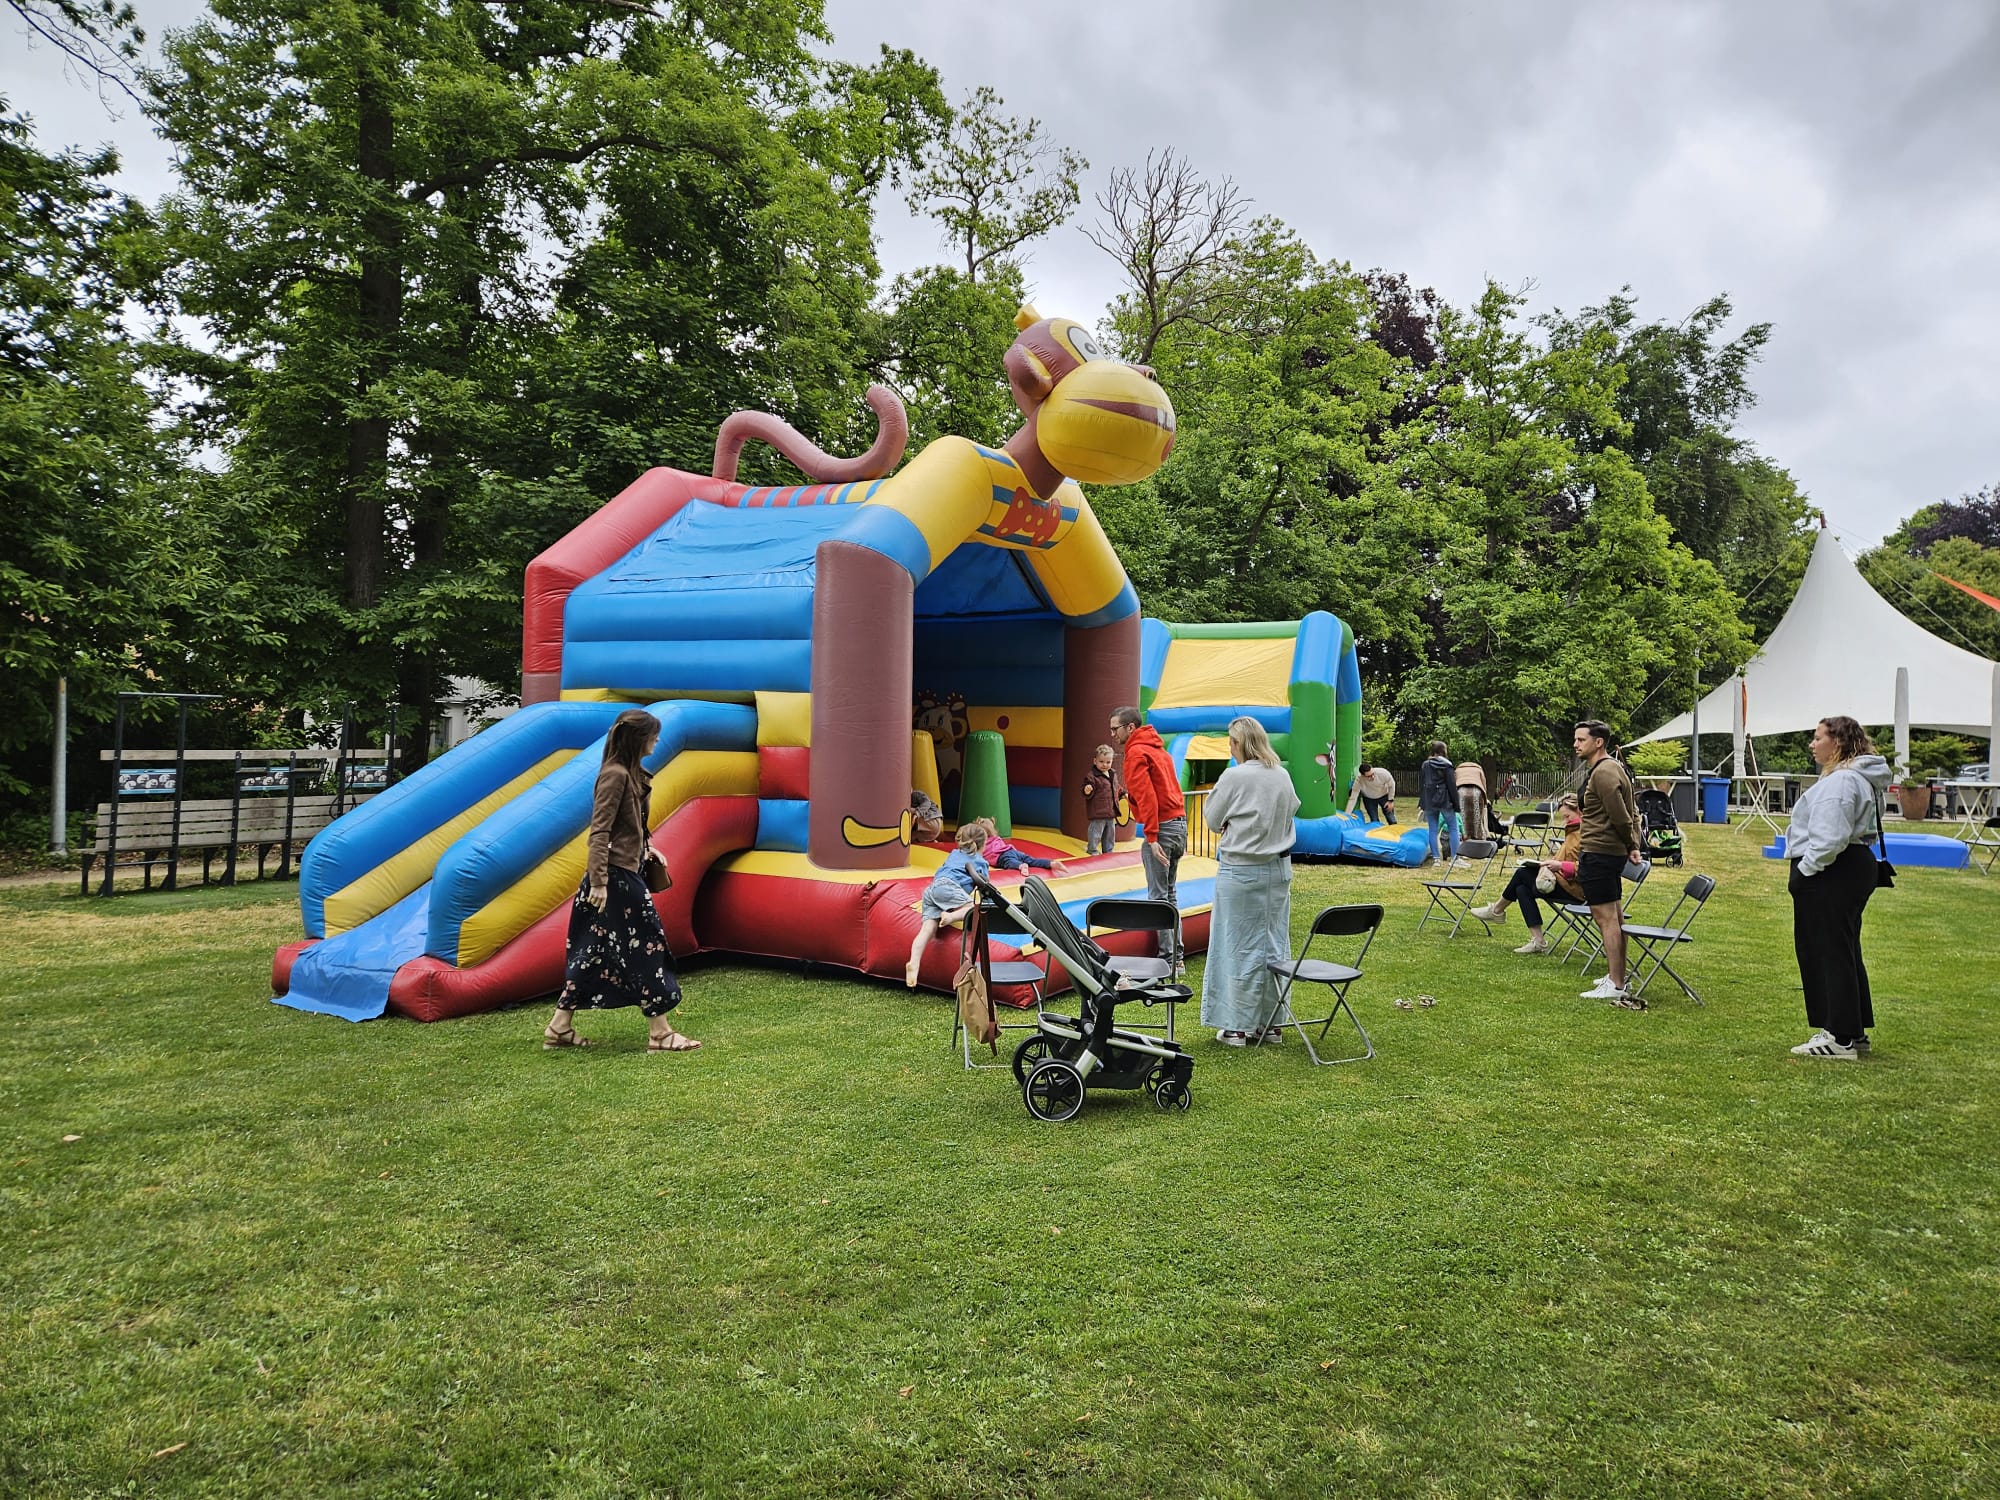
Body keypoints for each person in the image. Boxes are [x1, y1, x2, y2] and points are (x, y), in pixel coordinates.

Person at [546, 708, 699, 1052]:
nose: (658, 741)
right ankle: (660, 1033)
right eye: (653, 735)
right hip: (613, 881)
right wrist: (599, 882)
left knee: (591, 950)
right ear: (637, 739)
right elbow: (599, 831)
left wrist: (646, 849)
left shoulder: (629, 774)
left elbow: (625, 827)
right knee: (648, 947)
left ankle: (560, 1027)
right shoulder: (614, 775)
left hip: (617, 873)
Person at [1786, 716, 1892, 1060]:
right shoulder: (1855, 779)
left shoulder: (1843, 782)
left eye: (1818, 738)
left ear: (1839, 743)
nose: (1812, 744)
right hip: (1849, 867)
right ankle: (1851, 1030)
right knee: (1841, 949)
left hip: (1832, 870)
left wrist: (1805, 870)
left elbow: (1830, 836)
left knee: (1826, 950)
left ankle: (1840, 1037)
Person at [1200, 717, 1301, 1046]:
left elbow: (1213, 819)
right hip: (1278, 868)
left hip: (1241, 868)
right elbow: (1290, 813)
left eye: (1231, 741)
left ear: (1239, 743)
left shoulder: (1234, 776)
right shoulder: (1282, 775)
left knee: (1236, 944)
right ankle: (1271, 1023)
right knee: (1274, 943)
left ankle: (1237, 1026)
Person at [1573, 719, 1646, 1007]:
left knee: (1606, 920)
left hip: (1600, 852)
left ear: (1598, 742)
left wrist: (1632, 844)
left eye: (1581, 739)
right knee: (1614, 917)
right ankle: (1617, 977)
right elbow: (1631, 812)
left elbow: (1622, 815)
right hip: (1607, 852)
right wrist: (1631, 844)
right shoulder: (1612, 768)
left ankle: (1616, 984)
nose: (1576, 744)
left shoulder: (1604, 773)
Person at [1112, 705, 1188, 975]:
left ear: (1130, 727)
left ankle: (1168, 960)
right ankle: (1177, 957)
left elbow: (1147, 797)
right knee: (1170, 894)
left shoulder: (1135, 753)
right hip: (1179, 825)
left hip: (1163, 830)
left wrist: (1152, 837)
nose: (1113, 735)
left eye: (1115, 729)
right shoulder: (1159, 749)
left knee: (1158, 897)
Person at [1468, 793, 1584, 954]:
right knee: (1521, 889)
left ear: (1580, 811)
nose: (1566, 821)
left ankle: (1496, 910)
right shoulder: (1573, 831)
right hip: (1563, 881)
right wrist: (1548, 863)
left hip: (1578, 890)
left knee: (1523, 874)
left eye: (1567, 817)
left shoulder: (1586, 835)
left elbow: (1589, 869)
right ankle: (1539, 941)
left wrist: (1560, 865)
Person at [905, 822, 991, 987]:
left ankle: (914, 963)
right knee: (974, 909)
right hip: (949, 888)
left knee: (928, 930)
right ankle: (950, 915)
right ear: (982, 845)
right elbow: (985, 886)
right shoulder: (980, 862)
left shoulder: (954, 853)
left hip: (932, 889)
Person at [975, 817, 1071, 876]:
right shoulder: (996, 838)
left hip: (1003, 856)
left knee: (1010, 863)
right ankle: (1050, 863)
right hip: (1014, 851)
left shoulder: (983, 843)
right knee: (1032, 860)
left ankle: (1021, 866)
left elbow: (979, 855)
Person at [1418, 741, 1458, 865]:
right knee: (1453, 828)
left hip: (1429, 800)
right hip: (1444, 800)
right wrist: (1456, 803)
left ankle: (1436, 859)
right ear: (1444, 751)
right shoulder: (1447, 765)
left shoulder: (1425, 765)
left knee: (1433, 829)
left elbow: (1422, 784)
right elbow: (1451, 786)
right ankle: (1455, 858)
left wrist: (1422, 802)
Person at [1080, 743, 1125, 853]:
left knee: (1110, 832)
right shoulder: (1092, 776)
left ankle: (1108, 850)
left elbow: (1116, 787)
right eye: (1101, 762)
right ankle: (1092, 849)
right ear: (1095, 761)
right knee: (1096, 831)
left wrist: (1123, 793)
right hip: (1098, 811)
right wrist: (1087, 790)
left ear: (1111, 762)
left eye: (1108, 762)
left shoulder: (1112, 773)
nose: (1104, 764)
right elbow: (1085, 789)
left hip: (1110, 810)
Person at [1455, 759, 1490, 842]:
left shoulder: (1458, 770)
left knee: (1462, 814)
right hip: (1477, 790)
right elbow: (1483, 783)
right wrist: (1485, 798)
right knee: (1477, 815)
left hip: (1461, 791)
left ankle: (1464, 836)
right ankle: (1477, 836)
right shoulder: (1478, 769)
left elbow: (1453, 782)